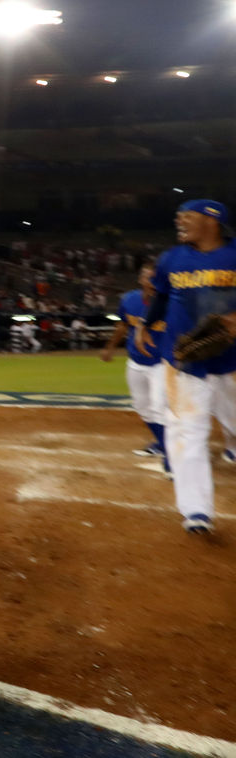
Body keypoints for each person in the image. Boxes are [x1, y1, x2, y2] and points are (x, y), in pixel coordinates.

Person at [134, 199, 236, 535]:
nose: (179, 222)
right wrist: (145, 325)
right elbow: (161, 296)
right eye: (178, 217)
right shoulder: (171, 259)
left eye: (186, 217)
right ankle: (196, 510)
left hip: (231, 359)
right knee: (186, 433)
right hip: (183, 359)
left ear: (212, 220)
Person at [100, 264, 168, 468]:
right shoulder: (129, 300)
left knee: (159, 407)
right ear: (141, 280)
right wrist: (110, 348)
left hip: (161, 364)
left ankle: (170, 450)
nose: (152, 283)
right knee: (142, 406)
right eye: (149, 278)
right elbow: (122, 325)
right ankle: (162, 443)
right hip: (136, 362)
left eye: (156, 278)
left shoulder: (168, 304)